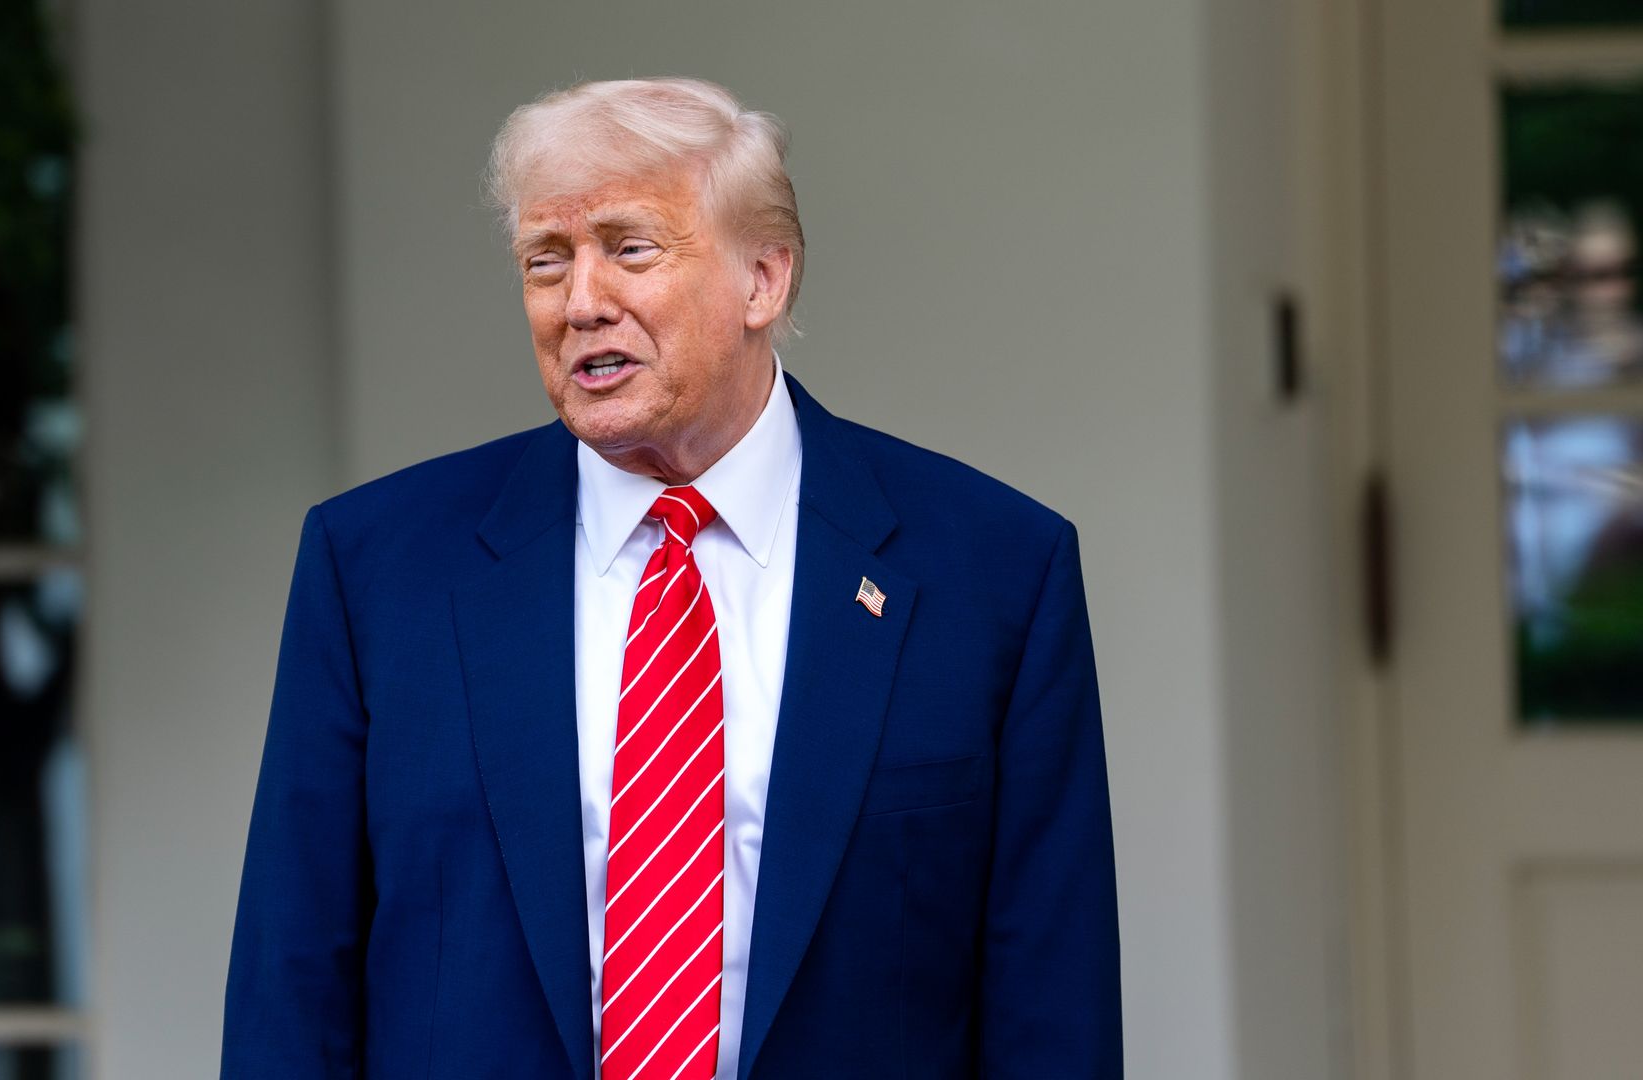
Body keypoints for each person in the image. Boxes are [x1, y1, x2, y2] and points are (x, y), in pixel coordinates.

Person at [220, 76, 1120, 1080]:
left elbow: (1055, 1011)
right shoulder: (378, 570)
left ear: (763, 280)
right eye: (546, 261)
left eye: (630, 249)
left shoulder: (994, 574)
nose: (581, 303)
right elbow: (289, 990)